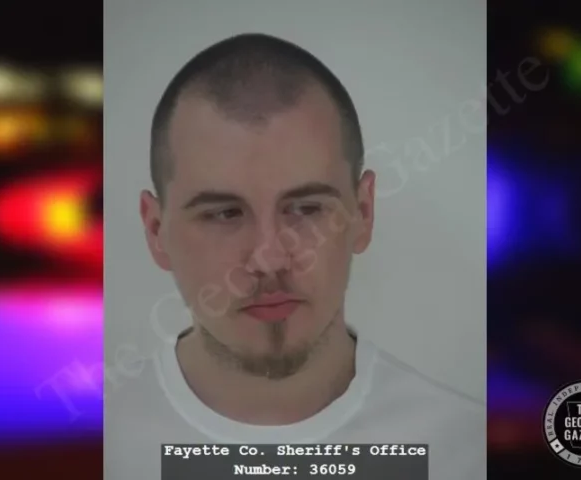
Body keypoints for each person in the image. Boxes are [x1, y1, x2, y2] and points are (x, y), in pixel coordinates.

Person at [105, 32, 485, 479]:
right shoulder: (90, 450)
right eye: (224, 213)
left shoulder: (465, 452)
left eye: (306, 209)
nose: (269, 260)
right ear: (156, 231)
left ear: (363, 213)